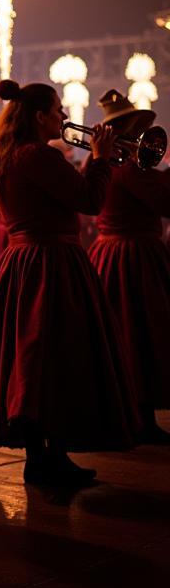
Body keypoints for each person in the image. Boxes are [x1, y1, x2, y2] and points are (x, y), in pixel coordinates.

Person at [0, 80, 139, 486]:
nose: (64, 117)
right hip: (50, 262)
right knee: (56, 358)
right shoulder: (38, 155)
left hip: (23, 262)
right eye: (57, 111)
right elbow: (88, 200)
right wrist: (100, 158)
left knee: (33, 362)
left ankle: (44, 458)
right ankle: (51, 458)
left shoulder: (12, 154)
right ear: (38, 117)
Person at [88, 89, 170, 443]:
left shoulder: (111, 163)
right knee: (142, 335)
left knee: (128, 334)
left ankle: (134, 414)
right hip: (134, 255)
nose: (142, 134)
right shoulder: (128, 166)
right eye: (137, 127)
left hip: (113, 252)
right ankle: (142, 417)